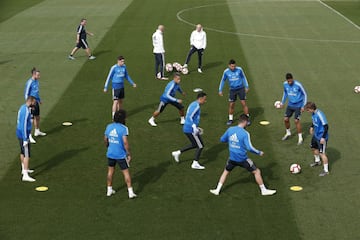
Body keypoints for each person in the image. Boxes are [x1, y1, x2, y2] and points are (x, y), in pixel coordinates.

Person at [210, 114, 276, 196]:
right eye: (247, 122)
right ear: (245, 122)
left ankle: (217, 190)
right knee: (257, 171)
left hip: (232, 158)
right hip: (242, 159)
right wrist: (259, 152)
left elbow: (222, 139)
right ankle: (264, 190)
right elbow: (250, 148)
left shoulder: (230, 129)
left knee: (226, 172)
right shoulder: (245, 133)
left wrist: (231, 141)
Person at [104, 110, 137, 198]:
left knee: (110, 171)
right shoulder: (123, 128)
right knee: (126, 173)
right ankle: (130, 192)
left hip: (110, 153)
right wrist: (128, 154)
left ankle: (109, 190)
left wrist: (108, 146)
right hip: (120, 155)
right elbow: (125, 142)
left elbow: (105, 139)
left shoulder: (109, 126)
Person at [172, 92, 207, 170]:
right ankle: (195, 163)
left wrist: (196, 127)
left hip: (188, 128)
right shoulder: (196, 106)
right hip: (190, 129)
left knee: (195, 144)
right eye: (204, 99)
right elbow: (189, 117)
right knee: (200, 146)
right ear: (200, 99)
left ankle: (177, 153)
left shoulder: (193, 104)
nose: (205, 101)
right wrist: (194, 127)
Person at [218, 59, 250, 126]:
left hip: (240, 88)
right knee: (231, 105)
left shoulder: (239, 69)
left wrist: (246, 86)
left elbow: (243, 77)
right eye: (232, 66)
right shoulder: (226, 72)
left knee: (243, 103)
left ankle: (247, 119)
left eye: (234, 66)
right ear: (229, 66)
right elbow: (223, 80)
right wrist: (220, 90)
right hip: (232, 90)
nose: (233, 68)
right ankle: (230, 119)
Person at [279, 73, 307, 145]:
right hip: (290, 104)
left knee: (296, 121)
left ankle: (300, 138)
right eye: (288, 81)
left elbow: (305, 94)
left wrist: (303, 106)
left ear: (292, 79)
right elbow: (285, 93)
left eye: (290, 81)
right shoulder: (285, 84)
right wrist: (282, 102)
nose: (289, 82)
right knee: (286, 119)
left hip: (298, 105)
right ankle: (288, 133)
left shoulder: (298, 85)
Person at [304, 102, 330, 176]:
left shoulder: (320, 114)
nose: (307, 111)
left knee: (322, 153)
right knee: (313, 147)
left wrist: (323, 137)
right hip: (316, 135)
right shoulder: (313, 114)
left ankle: (326, 170)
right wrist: (312, 127)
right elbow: (314, 121)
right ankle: (317, 161)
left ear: (312, 109)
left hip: (321, 137)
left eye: (308, 110)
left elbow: (326, 126)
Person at [16, 96, 37, 182]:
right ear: (31, 101)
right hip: (23, 135)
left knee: (22, 152)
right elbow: (24, 125)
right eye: (34, 102)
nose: (34, 104)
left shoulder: (22, 107)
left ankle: (24, 168)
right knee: (27, 155)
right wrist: (25, 138)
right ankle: (25, 174)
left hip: (19, 133)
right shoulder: (26, 111)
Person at [24, 67, 46, 144]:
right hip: (31, 103)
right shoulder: (29, 82)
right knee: (31, 119)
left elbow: (36, 92)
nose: (39, 76)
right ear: (34, 75)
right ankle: (29, 136)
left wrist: (39, 100)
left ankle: (37, 131)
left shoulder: (37, 81)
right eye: (38, 75)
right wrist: (29, 104)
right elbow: (26, 93)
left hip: (36, 102)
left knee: (37, 116)